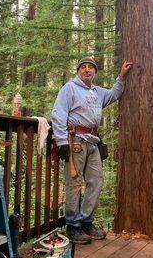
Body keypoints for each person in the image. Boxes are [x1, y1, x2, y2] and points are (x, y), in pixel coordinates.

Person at [52, 57, 132, 244]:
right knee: (74, 182)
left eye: (91, 67)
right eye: (83, 67)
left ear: (94, 72)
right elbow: (59, 113)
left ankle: (86, 222)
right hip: (76, 141)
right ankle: (72, 226)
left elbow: (114, 94)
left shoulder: (97, 92)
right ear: (78, 71)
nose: (87, 70)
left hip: (93, 142)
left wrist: (121, 75)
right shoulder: (69, 88)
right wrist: (62, 141)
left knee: (96, 181)